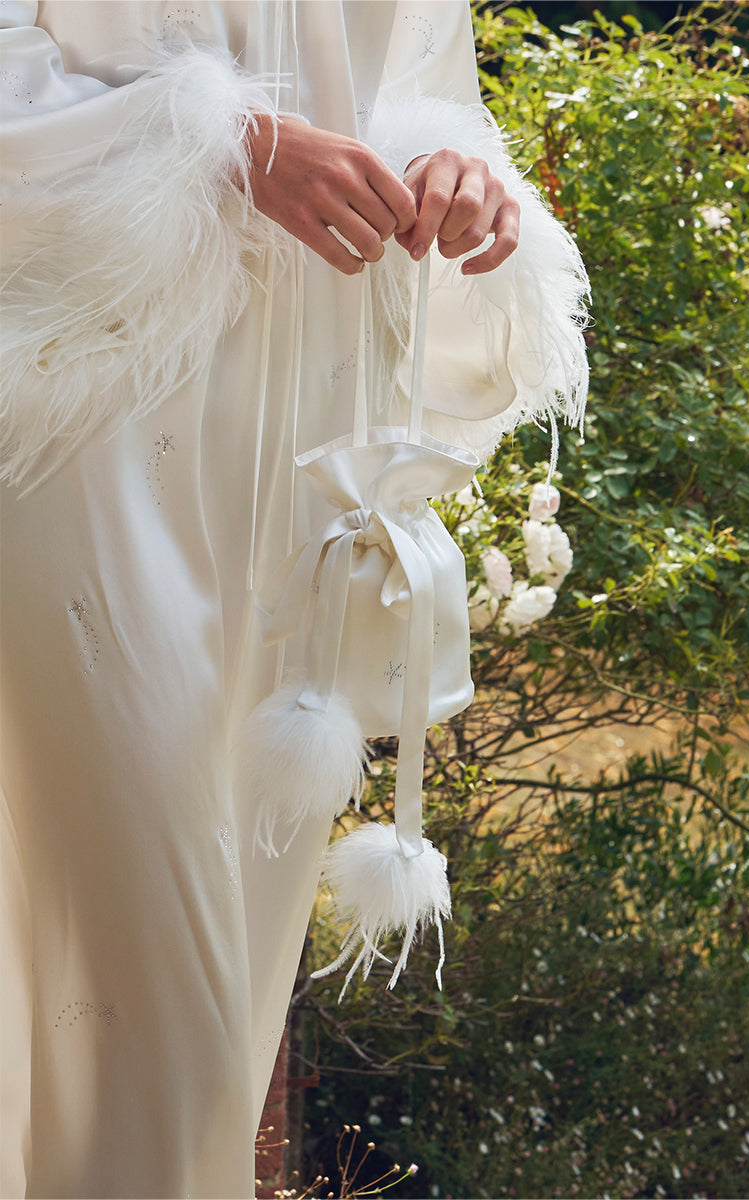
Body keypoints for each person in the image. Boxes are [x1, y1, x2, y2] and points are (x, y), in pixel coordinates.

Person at [0, 3, 589, 1196]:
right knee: (172, 1012)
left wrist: (455, 176)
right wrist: (229, 143)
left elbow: (426, 90)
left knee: (222, 990)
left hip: (309, 460)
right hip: (89, 423)